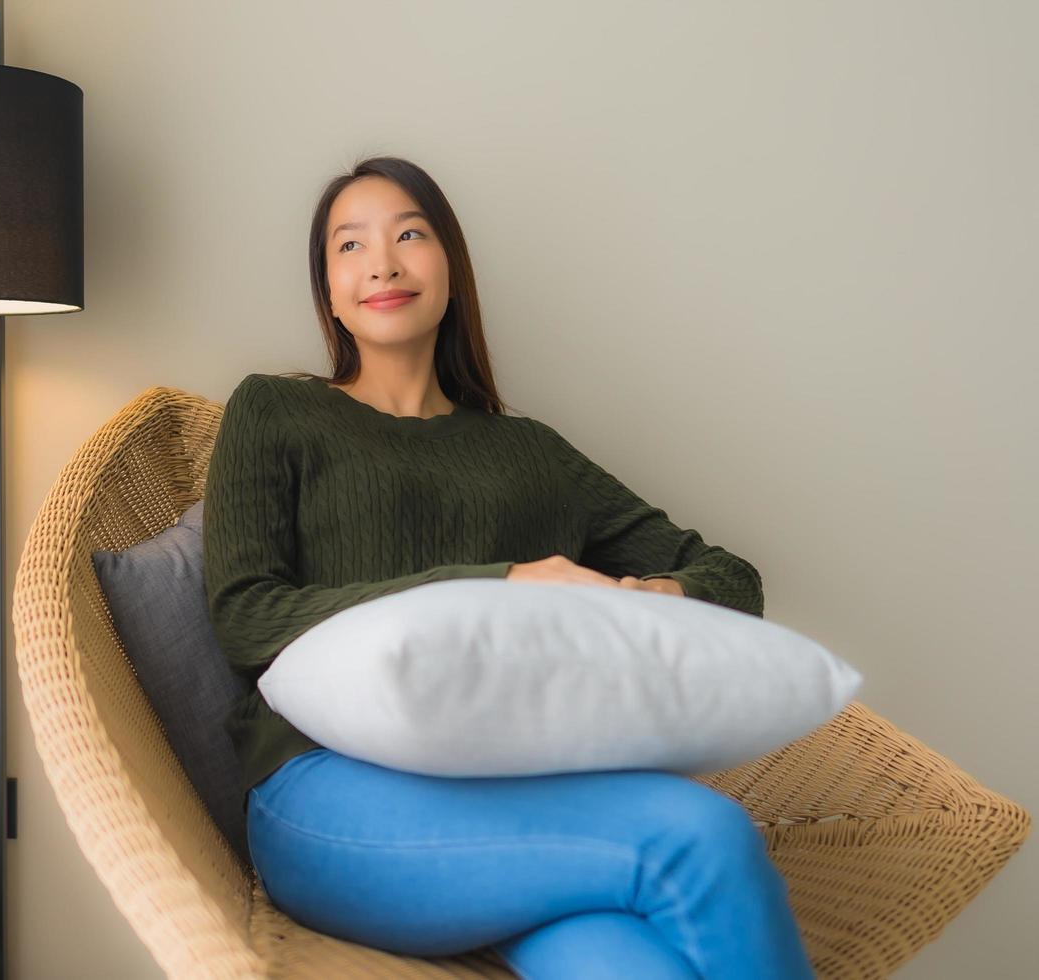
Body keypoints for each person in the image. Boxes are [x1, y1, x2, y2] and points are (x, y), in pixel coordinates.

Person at [202, 155, 813, 979]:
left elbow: (733, 579)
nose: (381, 262)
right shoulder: (276, 412)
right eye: (350, 246)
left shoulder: (531, 453)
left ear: (450, 265)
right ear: (330, 288)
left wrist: (661, 596)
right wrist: (502, 582)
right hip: (325, 793)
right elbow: (246, 615)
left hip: (518, 790)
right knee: (697, 835)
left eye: (409, 234)